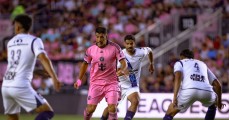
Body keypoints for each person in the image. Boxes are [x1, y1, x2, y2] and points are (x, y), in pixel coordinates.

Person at [1, 14, 61, 120]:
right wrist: (54, 78)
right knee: (47, 111)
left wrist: (37, 71)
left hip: (6, 86)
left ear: (18, 27)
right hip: (20, 85)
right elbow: (43, 58)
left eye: (14, 25)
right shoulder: (34, 40)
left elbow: (16, 65)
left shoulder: (10, 43)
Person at [74, 26, 128, 120]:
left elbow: (124, 62)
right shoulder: (90, 50)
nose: (99, 39)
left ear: (106, 36)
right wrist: (79, 80)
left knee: (112, 108)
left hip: (111, 82)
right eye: (97, 37)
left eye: (102, 37)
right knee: (90, 109)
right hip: (96, 83)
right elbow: (84, 64)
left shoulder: (115, 47)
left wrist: (122, 69)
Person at [101, 34, 154, 120]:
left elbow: (150, 50)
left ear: (134, 43)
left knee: (135, 101)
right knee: (111, 107)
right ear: (124, 44)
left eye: (131, 43)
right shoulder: (120, 55)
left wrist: (151, 64)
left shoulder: (140, 52)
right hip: (119, 85)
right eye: (128, 44)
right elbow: (115, 72)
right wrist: (121, 72)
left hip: (132, 84)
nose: (130, 46)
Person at [163, 49, 225, 120]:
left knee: (170, 112)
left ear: (182, 57)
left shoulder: (180, 62)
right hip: (206, 91)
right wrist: (219, 102)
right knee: (213, 105)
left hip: (189, 91)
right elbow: (218, 85)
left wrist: (174, 98)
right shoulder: (203, 64)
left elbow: (178, 77)